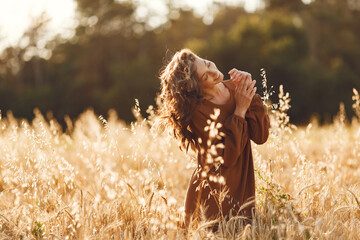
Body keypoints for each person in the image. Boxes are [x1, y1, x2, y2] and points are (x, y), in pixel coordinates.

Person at [157, 49, 270, 229]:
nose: (213, 72)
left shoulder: (235, 88)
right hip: (212, 192)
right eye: (205, 77)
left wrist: (248, 90)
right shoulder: (198, 112)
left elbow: (261, 136)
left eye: (208, 64)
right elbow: (227, 157)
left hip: (242, 185)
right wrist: (240, 110)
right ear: (196, 87)